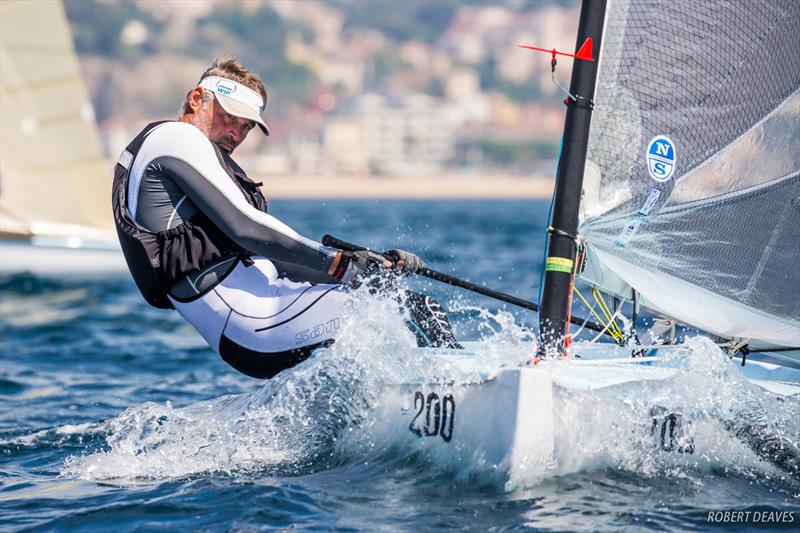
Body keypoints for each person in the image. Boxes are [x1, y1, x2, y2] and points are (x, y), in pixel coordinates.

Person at [112, 56, 460, 379]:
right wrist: (338, 264)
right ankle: (461, 388)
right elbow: (246, 228)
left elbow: (262, 254)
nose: (236, 133)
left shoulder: (199, 159)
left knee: (380, 295)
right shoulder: (176, 137)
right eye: (229, 117)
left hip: (264, 313)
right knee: (415, 311)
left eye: (246, 126)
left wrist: (366, 267)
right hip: (254, 324)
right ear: (196, 99)